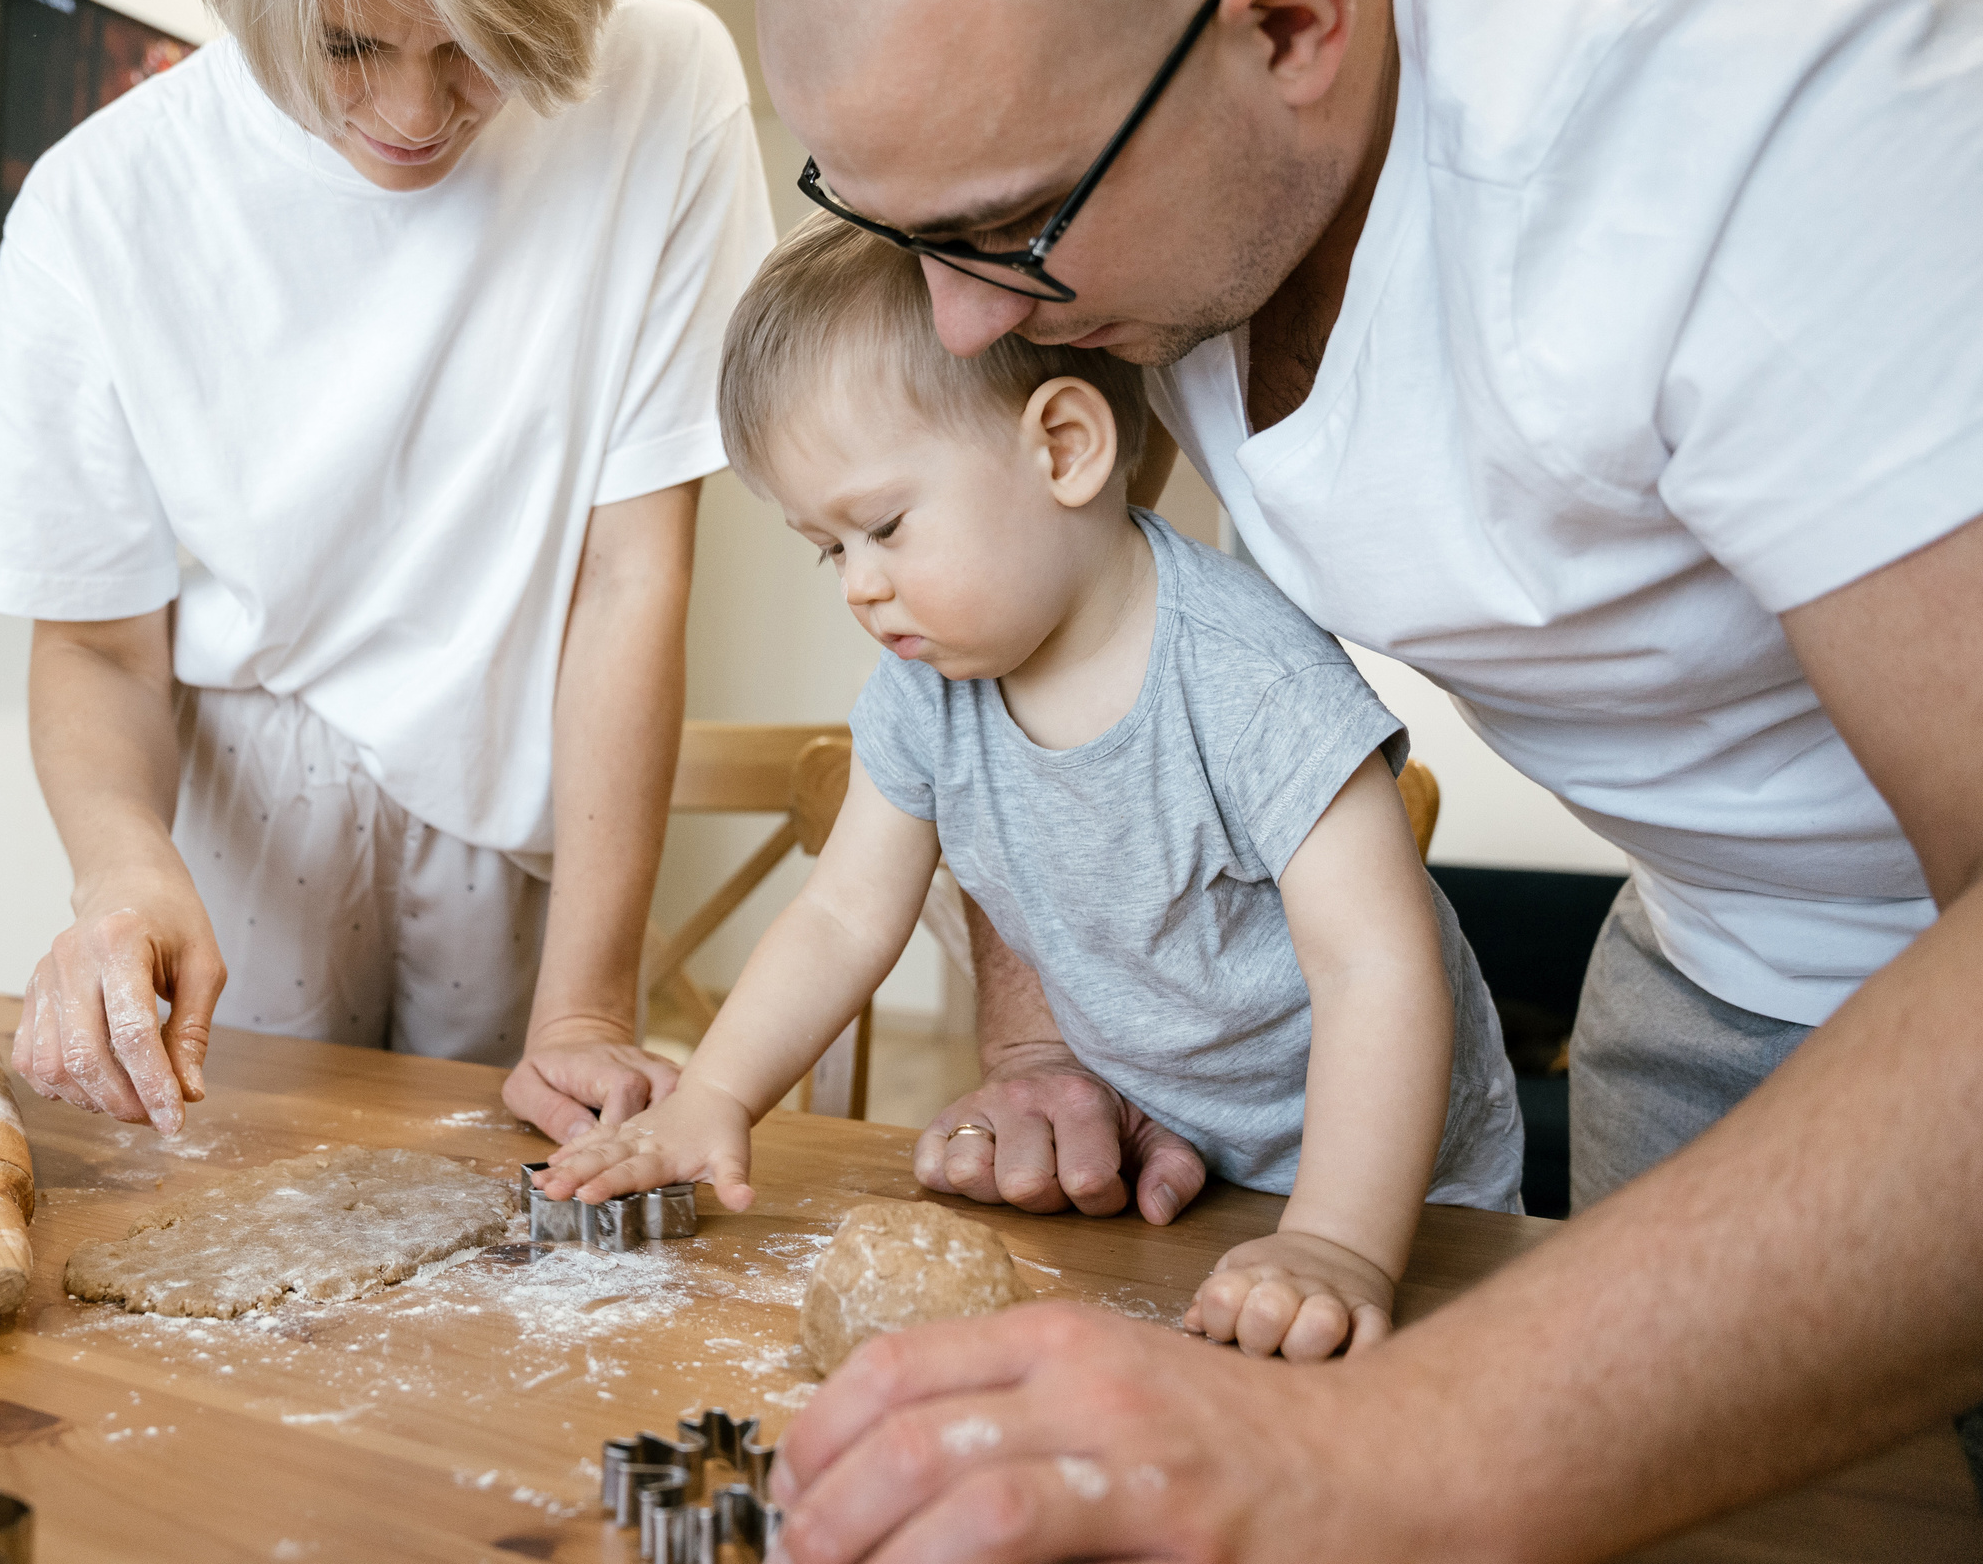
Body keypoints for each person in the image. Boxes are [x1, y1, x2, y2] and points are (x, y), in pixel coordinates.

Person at [749, 0, 1983, 1556]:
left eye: (1003, 230)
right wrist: (1039, 1047)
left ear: (1290, 34)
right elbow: (1041, 682)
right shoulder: (1147, 128)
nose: (958, 328)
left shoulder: (1790, 80)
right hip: (1702, 974)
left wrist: (1380, 1453)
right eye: (881, 218)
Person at [0, 0, 771, 1147]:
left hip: (519, 784)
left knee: (510, 1236)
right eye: (344, 46)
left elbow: (631, 573)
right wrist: (121, 866)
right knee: (235, 1237)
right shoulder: (96, 208)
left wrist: (585, 1006)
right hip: (241, 801)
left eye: (475, 45)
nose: (412, 110)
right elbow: (94, 642)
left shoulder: (664, 86)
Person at [535, 215, 1522, 1360]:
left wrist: (1339, 1240)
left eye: (884, 526)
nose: (858, 586)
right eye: (827, 548)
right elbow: (843, 915)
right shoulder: (925, 691)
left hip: (1392, 1195)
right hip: (1182, 1180)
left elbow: (1375, 964)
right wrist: (714, 1095)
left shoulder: (1251, 679)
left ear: (1060, 447)